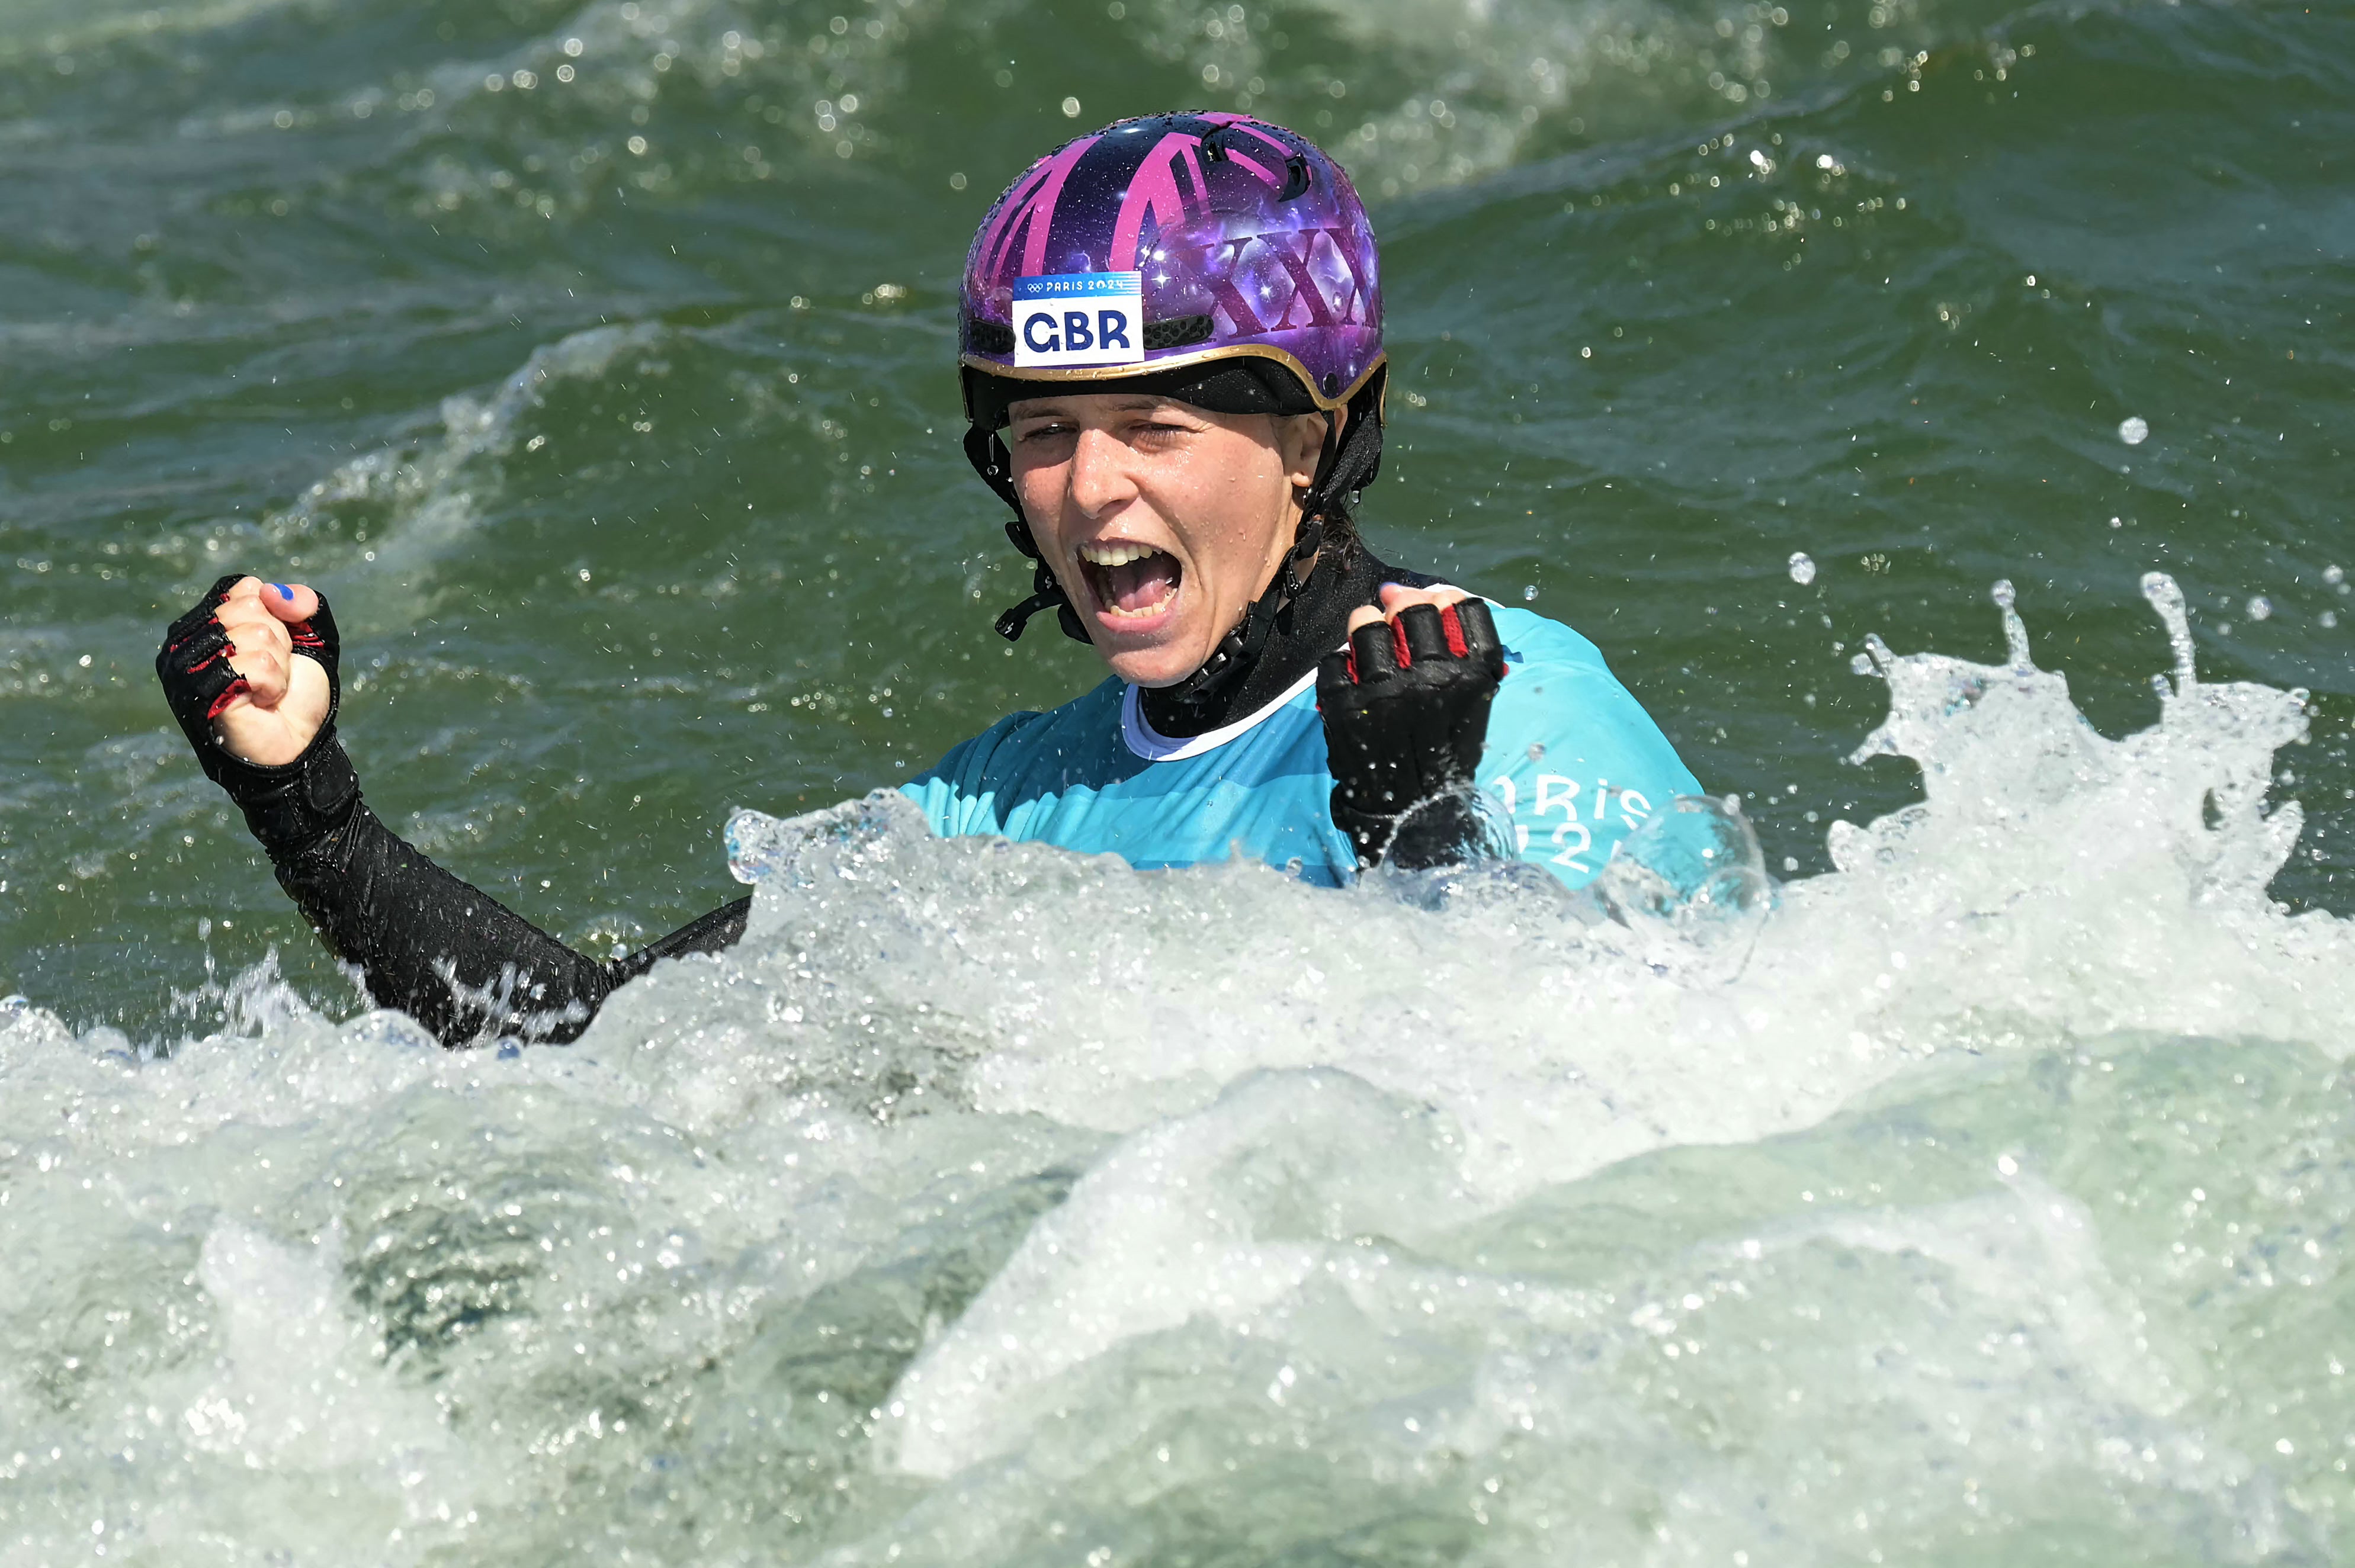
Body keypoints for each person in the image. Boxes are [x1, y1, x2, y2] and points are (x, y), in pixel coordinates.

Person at [155, 111, 1702, 1048]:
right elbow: (604, 1045)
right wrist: (314, 815)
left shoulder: (1504, 702)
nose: (1091, 490)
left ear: (1325, 434)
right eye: (1044, 433)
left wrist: (1423, 838)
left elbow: (1619, 1120)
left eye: (1156, 426)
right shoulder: (1001, 807)